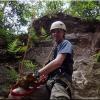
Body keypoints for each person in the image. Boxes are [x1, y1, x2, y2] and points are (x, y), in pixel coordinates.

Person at [35, 21, 74, 100]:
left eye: (58, 31)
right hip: (50, 82)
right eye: (53, 32)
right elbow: (51, 68)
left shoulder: (66, 43)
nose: (55, 33)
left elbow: (58, 62)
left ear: (63, 33)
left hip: (61, 81)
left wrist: (37, 73)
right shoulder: (55, 49)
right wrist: (44, 75)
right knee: (20, 93)